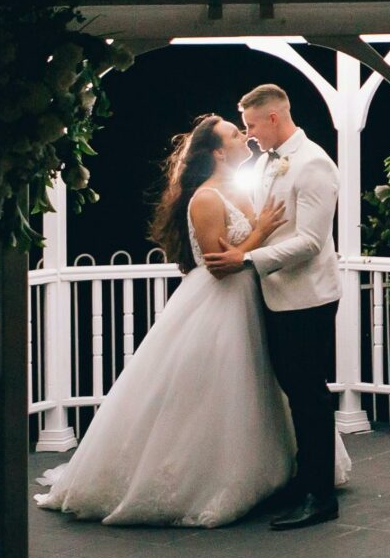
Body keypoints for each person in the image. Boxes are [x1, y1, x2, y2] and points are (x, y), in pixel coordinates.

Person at [34, 113, 350, 526]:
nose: (245, 138)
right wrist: (261, 232)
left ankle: (287, 475)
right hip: (219, 300)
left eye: (245, 129)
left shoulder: (242, 187)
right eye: (237, 134)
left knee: (263, 388)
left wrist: (262, 233)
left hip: (255, 299)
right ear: (218, 151)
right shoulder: (205, 198)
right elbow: (220, 264)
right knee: (215, 392)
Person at [202, 83, 344, 529]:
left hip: (307, 298)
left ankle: (320, 497)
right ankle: (305, 478)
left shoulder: (315, 163)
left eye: (250, 125)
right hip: (277, 295)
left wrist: (248, 259)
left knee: (309, 395)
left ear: (274, 119)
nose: (249, 135)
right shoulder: (267, 162)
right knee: (293, 392)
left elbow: (311, 242)